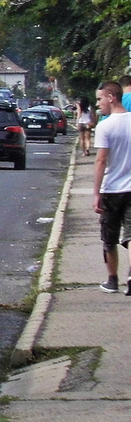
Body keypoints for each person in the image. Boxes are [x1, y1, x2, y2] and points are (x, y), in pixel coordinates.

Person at [91, 80, 131, 294]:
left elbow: (101, 161)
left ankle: (112, 279)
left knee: (109, 237)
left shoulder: (104, 126)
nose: (98, 104)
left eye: (100, 99)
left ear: (111, 97)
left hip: (112, 189)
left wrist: (96, 193)